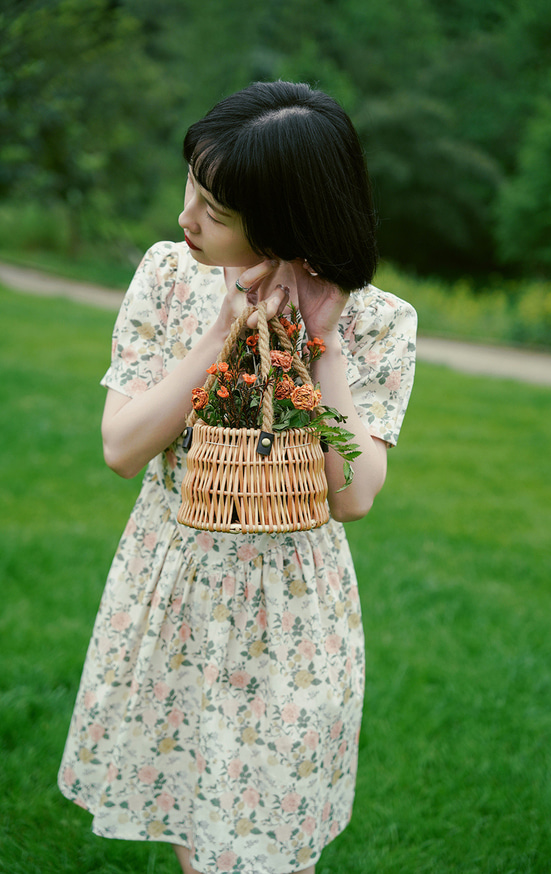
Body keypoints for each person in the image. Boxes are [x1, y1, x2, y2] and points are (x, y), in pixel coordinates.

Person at [58, 80, 417, 874]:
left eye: (215, 211)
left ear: (287, 219)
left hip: (290, 612)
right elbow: (122, 447)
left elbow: (352, 496)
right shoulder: (167, 275)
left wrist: (324, 344)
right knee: (196, 817)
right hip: (173, 584)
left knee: (263, 847)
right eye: (192, 185)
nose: (186, 217)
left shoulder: (375, 321)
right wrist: (221, 333)